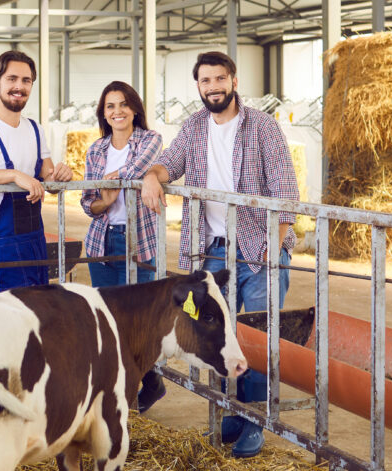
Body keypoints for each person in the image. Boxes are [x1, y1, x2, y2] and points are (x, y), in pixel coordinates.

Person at [152, 51, 300, 458]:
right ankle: (229, 415)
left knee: (255, 336)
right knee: (216, 335)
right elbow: (170, 163)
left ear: (234, 81)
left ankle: (254, 420)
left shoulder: (263, 127)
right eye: (205, 81)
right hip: (211, 251)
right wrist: (151, 176)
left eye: (220, 79)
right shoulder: (194, 127)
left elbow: (286, 190)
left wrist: (276, 243)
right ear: (198, 86)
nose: (213, 87)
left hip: (258, 249)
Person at [0, 51, 73, 292]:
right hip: (3, 242)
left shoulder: (35, 129)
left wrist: (60, 175)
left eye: (26, 80)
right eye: (12, 79)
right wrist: (14, 175)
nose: (19, 86)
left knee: (38, 306)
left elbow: (48, 176)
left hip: (35, 237)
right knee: (13, 314)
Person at [81, 81, 165, 288]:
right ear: (104, 113)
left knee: (135, 313)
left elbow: (139, 167)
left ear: (135, 109)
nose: (117, 111)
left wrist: (114, 177)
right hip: (100, 241)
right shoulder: (96, 150)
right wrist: (105, 202)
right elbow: (87, 202)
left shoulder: (150, 139)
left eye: (124, 104)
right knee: (105, 310)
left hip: (139, 240)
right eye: (110, 106)